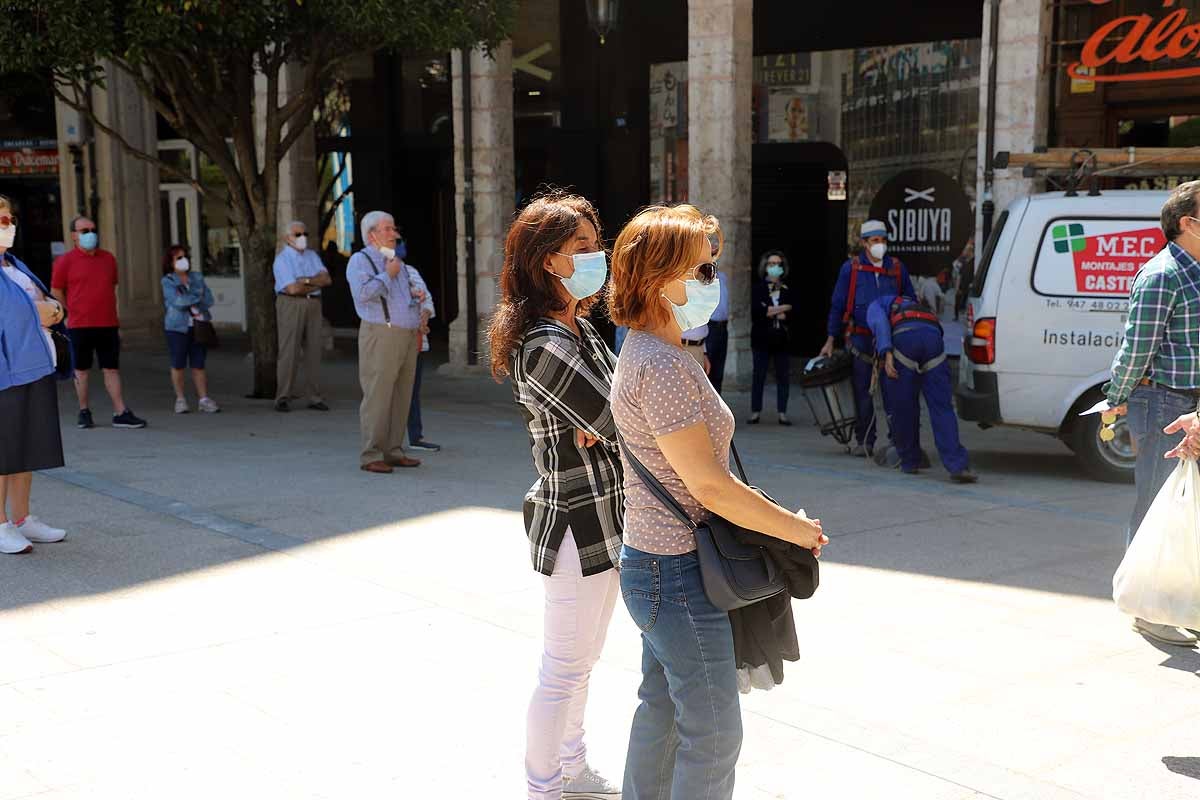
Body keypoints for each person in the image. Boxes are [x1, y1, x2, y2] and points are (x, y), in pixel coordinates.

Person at [607, 204, 827, 798]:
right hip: (676, 573)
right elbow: (709, 485)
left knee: (664, 713)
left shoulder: (655, 351)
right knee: (712, 733)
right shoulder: (665, 364)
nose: (714, 284)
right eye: (702, 272)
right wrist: (794, 531)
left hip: (656, 564)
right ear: (658, 278)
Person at [486, 192, 623, 800]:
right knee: (563, 669)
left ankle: (573, 767)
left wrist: (605, 426)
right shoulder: (544, 342)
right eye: (584, 250)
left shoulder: (581, 330)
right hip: (573, 521)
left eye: (599, 246)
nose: (599, 258)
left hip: (607, 515)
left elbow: (615, 413)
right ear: (549, 262)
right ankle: (543, 786)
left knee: (583, 665)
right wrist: (603, 427)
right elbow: (623, 413)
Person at [1107, 180, 1200, 648]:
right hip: (1162, 401)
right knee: (1154, 505)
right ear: (1188, 223)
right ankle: (1146, 609)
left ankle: (1181, 601)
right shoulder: (1162, 274)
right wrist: (1117, 395)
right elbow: (1136, 348)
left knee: (1188, 510)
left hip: (1193, 405)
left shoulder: (1196, 272)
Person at [0, 197, 70, 553]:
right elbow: (18, 315)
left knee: (26, 447)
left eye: (9, 218)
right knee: (4, 451)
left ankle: (22, 518)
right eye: (1, 220)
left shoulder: (15, 264)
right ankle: (0, 524)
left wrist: (51, 309)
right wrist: (43, 310)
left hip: (36, 365)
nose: (7, 225)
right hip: (5, 372)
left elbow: (55, 305)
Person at [821, 220, 915, 456]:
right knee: (863, 394)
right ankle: (865, 441)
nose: (880, 245)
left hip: (891, 343)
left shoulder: (896, 268)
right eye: (875, 241)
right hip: (861, 341)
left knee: (893, 392)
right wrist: (831, 338)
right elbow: (837, 304)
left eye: (883, 240)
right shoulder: (850, 269)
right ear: (864, 243)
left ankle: (898, 442)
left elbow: (910, 301)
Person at [347, 211, 430, 474]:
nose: (394, 234)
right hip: (380, 334)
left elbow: (402, 298)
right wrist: (387, 275)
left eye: (394, 228)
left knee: (402, 395)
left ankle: (393, 450)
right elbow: (362, 295)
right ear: (372, 234)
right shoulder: (360, 261)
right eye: (388, 229)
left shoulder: (397, 262)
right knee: (378, 394)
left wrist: (417, 303)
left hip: (406, 334)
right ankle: (371, 454)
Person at [868, 293, 977, 483]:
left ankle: (909, 461)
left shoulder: (875, 304)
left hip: (905, 341)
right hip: (933, 340)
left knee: (904, 407)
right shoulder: (915, 305)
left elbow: (880, 324)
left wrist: (886, 352)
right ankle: (957, 465)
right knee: (942, 407)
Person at [51, 215, 147, 429]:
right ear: (74, 236)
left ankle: (120, 411)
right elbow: (56, 290)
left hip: (107, 324)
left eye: (93, 230)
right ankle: (84, 411)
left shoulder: (108, 259)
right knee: (81, 370)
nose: (90, 234)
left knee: (111, 368)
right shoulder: (64, 261)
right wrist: (68, 312)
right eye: (84, 231)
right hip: (79, 325)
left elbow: (110, 287)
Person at [272, 220, 332, 413]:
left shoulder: (312, 255)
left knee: (314, 350)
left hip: (313, 303)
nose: (302, 238)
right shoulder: (282, 260)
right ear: (287, 238)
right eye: (297, 235)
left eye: (304, 233)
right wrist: (315, 282)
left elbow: (327, 279)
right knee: (289, 350)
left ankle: (314, 396)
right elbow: (292, 288)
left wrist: (305, 280)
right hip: (291, 304)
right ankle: (283, 396)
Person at [160, 245, 219, 414]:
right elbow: (177, 302)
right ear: (171, 262)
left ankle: (204, 399)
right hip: (177, 327)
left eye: (184, 256)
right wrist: (195, 297)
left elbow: (208, 299)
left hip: (199, 326)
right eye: (178, 258)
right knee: (178, 363)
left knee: (198, 364)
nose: (183, 260)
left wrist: (190, 298)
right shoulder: (168, 281)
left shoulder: (197, 277)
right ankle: (180, 399)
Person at [749, 249, 795, 425]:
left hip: (781, 338)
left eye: (778, 264)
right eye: (771, 264)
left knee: (783, 375)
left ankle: (782, 412)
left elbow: (792, 310)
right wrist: (782, 309)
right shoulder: (758, 289)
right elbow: (758, 312)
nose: (775, 267)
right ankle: (755, 411)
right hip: (762, 338)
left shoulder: (787, 289)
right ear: (765, 266)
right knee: (758, 375)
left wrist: (773, 311)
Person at [405, 262, 440, 452]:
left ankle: (415, 436)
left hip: (416, 339)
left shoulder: (410, 270)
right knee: (387, 393)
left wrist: (424, 315)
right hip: (391, 340)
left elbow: (426, 299)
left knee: (412, 391)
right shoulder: (374, 269)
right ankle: (383, 441)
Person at [706, 238, 731, 394]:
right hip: (709, 328)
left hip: (723, 328)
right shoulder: (701, 278)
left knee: (718, 372)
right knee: (707, 372)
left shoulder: (722, 277)